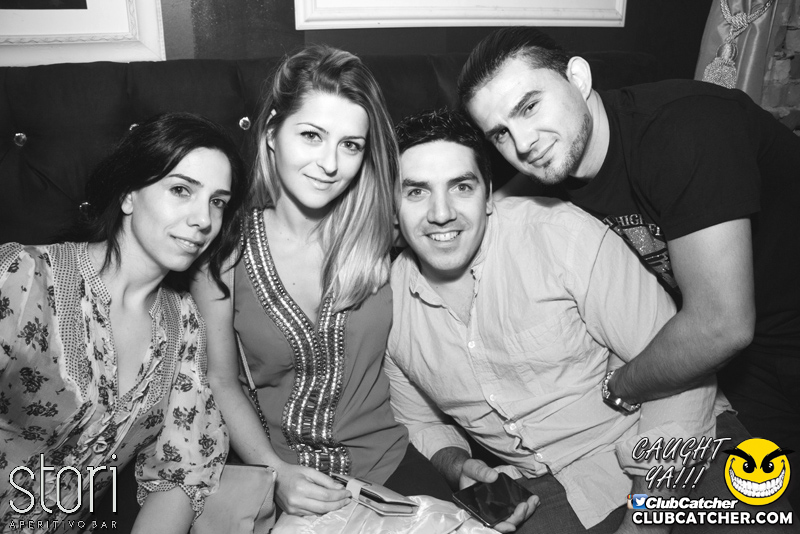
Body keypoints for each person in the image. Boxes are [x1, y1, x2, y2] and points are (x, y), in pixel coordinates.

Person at [457, 27, 800, 510]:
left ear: (578, 78)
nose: (524, 143)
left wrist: (620, 385)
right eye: (500, 133)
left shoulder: (684, 126)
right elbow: (480, 212)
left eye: (529, 107)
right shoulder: (553, 167)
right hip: (746, 366)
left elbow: (720, 325)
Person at [384, 108, 762, 534]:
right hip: (543, 491)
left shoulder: (561, 237)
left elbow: (684, 374)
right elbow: (419, 421)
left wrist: (645, 520)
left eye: (461, 187)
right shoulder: (387, 309)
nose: (441, 213)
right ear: (391, 207)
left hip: (678, 444)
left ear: (487, 196)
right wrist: (458, 465)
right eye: (416, 192)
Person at [191, 45, 452, 519]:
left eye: (350, 145)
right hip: (282, 476)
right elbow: (221, 379)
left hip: (390, 465)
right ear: (272, 133)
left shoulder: (384, 231)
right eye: (312, 135)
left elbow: (471, 216)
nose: (330, 164)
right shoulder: (224, 249)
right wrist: (274, 473)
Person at [0, 112, 249, 533]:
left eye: (217, 202)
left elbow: (181, 471)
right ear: (129, 195)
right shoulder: (21, 278)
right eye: (181, 190)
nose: (204, 220)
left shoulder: (184, 325)